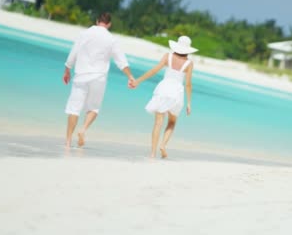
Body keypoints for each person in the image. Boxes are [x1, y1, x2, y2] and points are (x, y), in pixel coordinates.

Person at [62, 12, 134, 148]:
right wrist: (130, 77)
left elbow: (74, 53)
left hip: (81, 75)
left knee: (74, 108)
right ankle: (83, 129)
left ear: (97, 21)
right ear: (109, 24)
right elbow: (121, 61)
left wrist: (67, 69)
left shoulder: (85, 33)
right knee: (94, 108)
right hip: (99, 78)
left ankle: (67, 142)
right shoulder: (111, 39)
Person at [130, 35, 197, 158]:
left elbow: (154, 70)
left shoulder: (168, 56)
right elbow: (188, 84)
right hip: (176, 93)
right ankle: (163, 145)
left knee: (158, 122)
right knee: (172, 122)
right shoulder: (189, 63)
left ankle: (152, 154)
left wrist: (138, 81)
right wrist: (189, 103)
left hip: (163, 89)